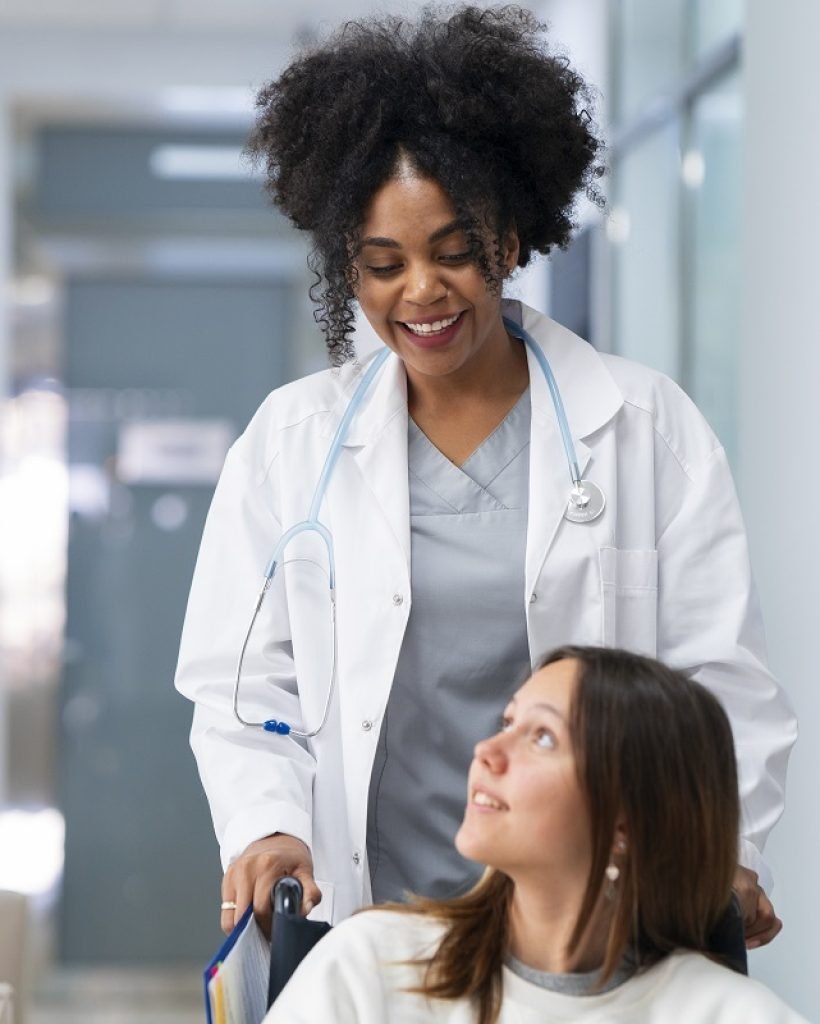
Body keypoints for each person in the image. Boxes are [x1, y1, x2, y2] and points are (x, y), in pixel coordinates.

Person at [174, 5, 796, 944]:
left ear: (508, 241)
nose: (420, 291)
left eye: (455, 252)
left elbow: (718, 681)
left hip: (592, 919)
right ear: (349, 269)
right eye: (382, 265)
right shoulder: (289, 444)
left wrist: (729, 850)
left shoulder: (643, 428)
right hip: (371, 917)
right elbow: (242, 691)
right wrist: (267, 822)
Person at [264, 647, 808, 1024]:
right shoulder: (368, 968)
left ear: (627, 822)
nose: (486, 752)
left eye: (543, 738)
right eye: (507, 723)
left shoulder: (735, 1014)